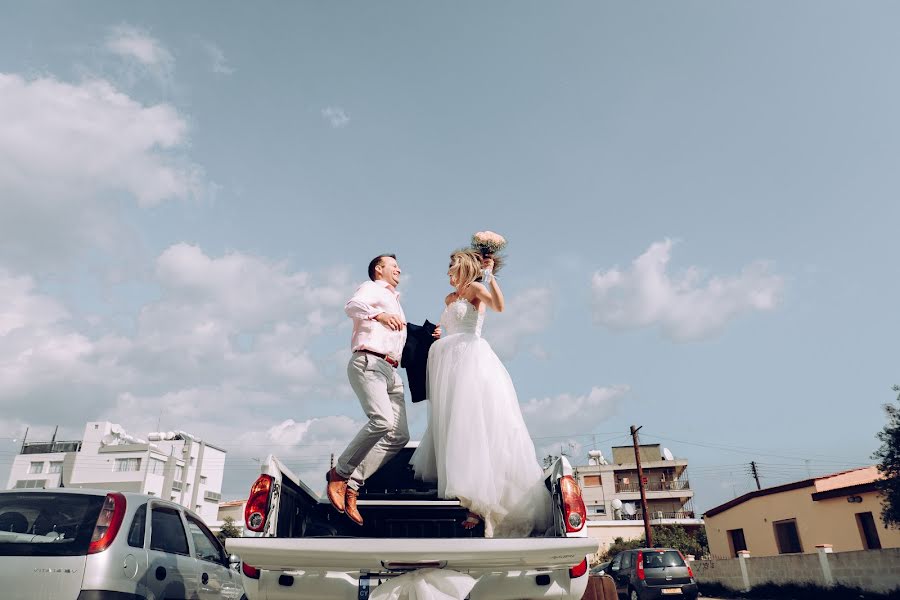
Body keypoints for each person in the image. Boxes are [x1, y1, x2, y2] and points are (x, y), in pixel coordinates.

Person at [409, 250, 552, 538]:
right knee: (455, 426)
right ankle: (466, 499)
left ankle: (482, 503)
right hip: (449, 362)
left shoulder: (476, 288)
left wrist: (490, 278)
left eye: (452, 267)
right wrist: (439, 333)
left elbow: (498, 307)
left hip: (472, 359)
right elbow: (450, 325)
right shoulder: (449, 299)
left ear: (463, 268)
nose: (448, 273)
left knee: (476, 422)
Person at [327, 254, 409, 526]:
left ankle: (353, 484)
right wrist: (379, 314)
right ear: (379, 269)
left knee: (398, 435)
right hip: (369, 362)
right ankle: (339, 474)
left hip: (391, 372)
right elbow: (351, 307)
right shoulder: (372, 288)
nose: (398, 269)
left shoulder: (395, 301)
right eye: (393, 265)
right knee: (382, 421)